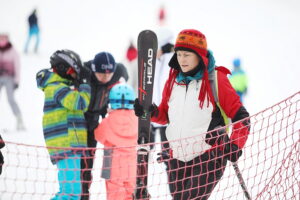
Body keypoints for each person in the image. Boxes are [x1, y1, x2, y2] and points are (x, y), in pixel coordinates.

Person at [134, 29, 250, 199]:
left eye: (187, 54)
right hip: (177, 157)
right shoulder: (174, 80)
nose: (181, 60)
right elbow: (166, 115)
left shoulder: (216, 78)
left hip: (208, 156)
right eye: (179, 54)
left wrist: (235, 145)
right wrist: (151, 111)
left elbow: (242, 117)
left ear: (199, 55)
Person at [36, 49, 91, 200]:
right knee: (71, 194)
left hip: (70, 145)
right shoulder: (56, 88)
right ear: (63, 69)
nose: (76, 77)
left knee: (69, 192)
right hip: (66, 145)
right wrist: (85, 83)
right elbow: (80, 103)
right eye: (75, 72)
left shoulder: (61, 87)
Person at [81, 52, 128, 200]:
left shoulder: (118, 72)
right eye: (101, 74)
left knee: (88, 162)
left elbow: (124, 76)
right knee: (78, 164)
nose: (105, 77)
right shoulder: (85, 73)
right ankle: (80, 193)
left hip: (95, 122)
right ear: (94, 70)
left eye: (109, 74)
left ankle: (84, 194)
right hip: (79, 121)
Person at [94, 83, 138, 200]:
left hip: (112, 168)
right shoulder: (137, 120)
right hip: (132, 167)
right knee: (130, 193)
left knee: (114, 195)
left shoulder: (108, 121)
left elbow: (98, 135)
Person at [150, 27, 174, 149]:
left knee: (167, 150)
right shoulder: (155, 61)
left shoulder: (172, 62)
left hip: (167, 114)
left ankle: (169, 167)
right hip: (153, 112)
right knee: (148, 148)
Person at [0, 33, 25, 131]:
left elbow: (17, 66)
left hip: (9, 78)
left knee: (10, 99)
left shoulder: (13, 51)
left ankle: (19, 119)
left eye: (4, 38)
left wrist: (17, 80)